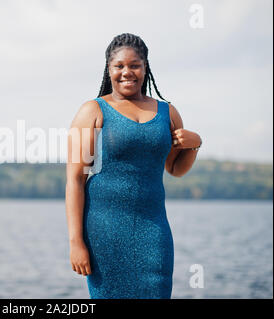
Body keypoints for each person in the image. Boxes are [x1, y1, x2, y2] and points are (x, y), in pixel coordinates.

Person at [65, 33, 202, 299]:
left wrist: (194, 145)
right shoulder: (92, 111)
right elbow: (75, 180)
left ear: (145, 67)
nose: (127, 72)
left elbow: (175, 168)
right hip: (105, 232)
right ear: (109, 69)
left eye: (135, 65)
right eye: (119, 66)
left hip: (154, 231)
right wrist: (76, 242)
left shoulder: (168, 112)